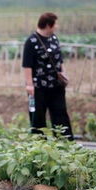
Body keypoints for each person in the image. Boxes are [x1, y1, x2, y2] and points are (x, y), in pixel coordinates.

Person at [22, 12, 74, 141]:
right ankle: (39, 143)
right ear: (48, 25)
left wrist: (64, 75)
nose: (57, 26)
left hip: (56, 85)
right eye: (55, 24)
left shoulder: (54, 38)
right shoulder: (31, 41)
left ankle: (65, 141)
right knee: (38, 116)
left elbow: (59, 60)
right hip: (39, 86)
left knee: (60, 113)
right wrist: (29, 85)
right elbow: (27, 65)